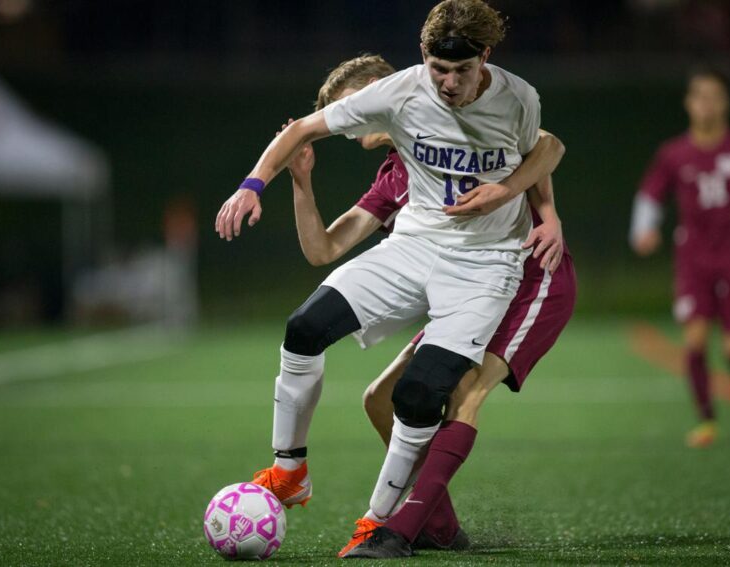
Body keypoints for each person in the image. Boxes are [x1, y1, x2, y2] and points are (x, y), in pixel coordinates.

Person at [215, 0, 562, 547]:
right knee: (304, 328)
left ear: (485, 58)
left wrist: (521, 197)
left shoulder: (518, 97)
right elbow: (301, 131)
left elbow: (544, 149)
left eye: (462, 70)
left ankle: (378, 523)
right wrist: (253, 185)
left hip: (486, 264)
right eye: (437, 69)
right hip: (415, 245)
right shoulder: (400, 92)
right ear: (422, 56)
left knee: (419, 394)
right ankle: (288, 470)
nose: (448, 83)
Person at [283, 54, 574, 558]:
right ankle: (439, 527)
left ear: (377, 91)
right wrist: (300, 182)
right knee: (381, 399)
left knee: (462, 393)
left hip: (530, 277)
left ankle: (402, 528)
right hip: (466, 291)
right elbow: (323, 250)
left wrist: (550, 214)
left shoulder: (459, 116)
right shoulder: (399, 172)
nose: (348, 129)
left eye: (347, 111)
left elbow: (545, 144)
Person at [630, 68, 730, 448]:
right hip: (693, 258)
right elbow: (650, 193)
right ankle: (707, 421)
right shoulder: (674, 153)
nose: (707, 104)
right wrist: (644, 230)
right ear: (689, 104)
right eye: (700, 97)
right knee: (694, 341)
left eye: (715, 96)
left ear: (726, 103)